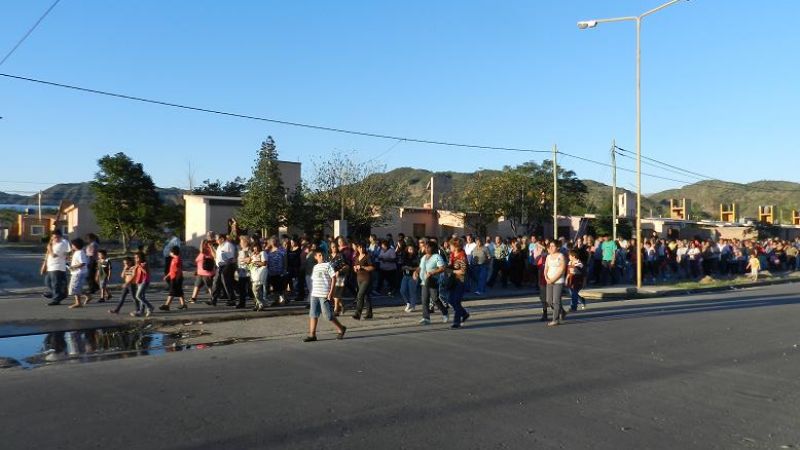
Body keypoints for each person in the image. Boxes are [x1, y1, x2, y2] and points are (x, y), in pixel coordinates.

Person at [418, 240, 449, 325]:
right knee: (424, 299)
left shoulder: (437, 256)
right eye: (426, 247)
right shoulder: (424, 257)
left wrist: (432, 272)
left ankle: (445, 312)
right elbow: (420, 267)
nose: (426, 248)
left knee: (435, 299)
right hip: (424, 281)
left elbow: (442, 268)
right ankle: (426, 318)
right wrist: (415, 272)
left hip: (433, 280)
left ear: (433, 248)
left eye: (428, 247)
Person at [41, 229, 70, 305]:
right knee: (47, 282)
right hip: (51, 266)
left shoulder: (63, 243)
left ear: (61, 236)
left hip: (58, 266)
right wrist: (44, 265)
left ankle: (56, 299)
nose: (56, 239)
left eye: (57, 237)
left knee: (56, 283)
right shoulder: (52, 243)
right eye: (54, 237)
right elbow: (48, 254)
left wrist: (66, 255)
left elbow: (68, 252)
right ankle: (59, 294)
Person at [207, 234, 236, 307]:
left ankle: (232, 299)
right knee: (216, 283)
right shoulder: (220, 246)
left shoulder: (228, 245)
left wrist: (226, 266)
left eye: (217, 239)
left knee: (226, 283)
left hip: (226, 266)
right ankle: (213, 300)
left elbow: (231, 258)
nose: (216, 241)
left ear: (222, 239)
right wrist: (211, 247)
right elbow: (216, 256)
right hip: (219, 266)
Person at [447, 238, 470, 329]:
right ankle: (464, 314)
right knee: (450, 300)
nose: (450, 247)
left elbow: (463, 271)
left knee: (456, 301)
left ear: (456, 246)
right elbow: (450, 265)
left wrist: (452, 271)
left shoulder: (462, 256)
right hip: (453, 280)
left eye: (451, 245)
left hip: (461, 281)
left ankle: (457, 322)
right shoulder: (452, 254)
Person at [545, 241, 567, 327]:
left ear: (557, 247)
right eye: (550, 246)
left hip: (558, 281)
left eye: (553, 246)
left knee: (556, 301)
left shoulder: (561, 256)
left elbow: (562, 270)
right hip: (549, 281)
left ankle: (555, 320)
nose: (551, 247)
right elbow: (546, 268)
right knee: (549, 301)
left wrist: (553, 279)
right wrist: (546, 278)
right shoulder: (548, 257)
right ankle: (562, 311)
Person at [351, 242, 375, 320]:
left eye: (363, 247)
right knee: (366, 296)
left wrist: (362, 267)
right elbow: (355, 268)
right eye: (360, 248)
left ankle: (357, 313)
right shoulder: (357, 257)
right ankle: (369, 313)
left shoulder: (368, 256)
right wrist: (355, 268)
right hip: (359, 278)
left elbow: (372, 267)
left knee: (360, 295)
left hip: (366, 278)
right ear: (357, 248)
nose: (361, 249)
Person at [159, 246, 187, 311]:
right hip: (173, 277)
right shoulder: (174, 259)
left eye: (170, 251)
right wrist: (167, 276)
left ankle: (167, 305)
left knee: (172, 291)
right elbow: (172, 270)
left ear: (173, 252)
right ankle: (183, 305)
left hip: (176, 278)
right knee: (179, 291)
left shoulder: (177, 259)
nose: (169, 253)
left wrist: (177, 278)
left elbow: (179, 270)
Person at [67, 238, 90, 309]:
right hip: (77, 272)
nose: (71, 246)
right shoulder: (77, 252)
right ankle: (88, 296)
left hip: (78, 273)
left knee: (74, 288)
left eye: (72, 244)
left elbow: (83, 263)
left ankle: (78, 303)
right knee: (76, 287)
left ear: (75, 245)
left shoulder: (80, 252)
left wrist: (73, 267)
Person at [191, 239, 215, 303]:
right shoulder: (203, 251)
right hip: (200, 272)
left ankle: (213, 298)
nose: (203, 245)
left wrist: (206, 244)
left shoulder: (208, 251)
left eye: (205, 244)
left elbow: (213, 256)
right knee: (197, 285)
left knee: (209, 286)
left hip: (207, 273)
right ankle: (193, 298)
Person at [266, 236, 288, 306]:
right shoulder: (268, 251)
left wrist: (284, 269)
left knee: (280, 287)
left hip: (280, 271)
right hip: (271, 272)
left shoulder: (282, 250)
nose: (273, 242)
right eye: (272, 241)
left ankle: (282, 300)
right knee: (274, 287)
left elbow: (285, 260)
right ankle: (276, 300)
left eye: (275, 241)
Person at [329, 244, 350, 316]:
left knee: (337, 293)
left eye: (335, 246)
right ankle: (342, 305)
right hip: (332, 277)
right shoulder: (329, 256)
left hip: (340, 276)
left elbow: (346, 266)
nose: (334, 248)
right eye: (332, 247)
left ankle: (336, 310)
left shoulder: (340, 255)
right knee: (333, 294)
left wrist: (339, 271)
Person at [132, 252, 154, 317]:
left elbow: (146, 272)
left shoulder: (144, 264)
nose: (136, 259)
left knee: (138, 296)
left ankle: (150, 307)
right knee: (142, 297)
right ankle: (141, 311)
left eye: (138, 257)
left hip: (144, 281)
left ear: (142, 258)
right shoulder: (137, 264)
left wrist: (139, 266)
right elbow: (135, 273)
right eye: (135, 258)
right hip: (139, 281)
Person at [400, 244, 420, 313]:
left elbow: (419, 267)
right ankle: (408, 303)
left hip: (413, 275)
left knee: (412, 292)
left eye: (412, 249)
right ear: (407, 250)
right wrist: (404, 267)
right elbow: (401, 266)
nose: (411, 251)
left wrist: (412, 268)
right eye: (409, 249)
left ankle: (412, 306)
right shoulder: (405, 257)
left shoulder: (416, 257)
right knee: (402, 290)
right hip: (406, 275)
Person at [249, 241, 268, 310]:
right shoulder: (252, 254)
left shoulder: (262, 253)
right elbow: (248, 262)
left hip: (260, 273)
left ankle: (261, 303)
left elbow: (264, 263)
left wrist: (255, 262)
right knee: (257, 291)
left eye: (257, 247)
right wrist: (251, 256)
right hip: (253, 274)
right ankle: (258, 304)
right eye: (254, 247)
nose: (255, 248)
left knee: (255, 289)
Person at [235, 236, 253, 309]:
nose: (240, 243)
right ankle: (242, 303)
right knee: (241, 289)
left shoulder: (249, 250)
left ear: (246, 242)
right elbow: (238, 261)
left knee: (251, 289)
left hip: (249, 273)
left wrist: (245, 259)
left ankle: (257, 302)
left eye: (241, 242)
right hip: (241, 273)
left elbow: (250, 260)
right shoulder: (240, 251)